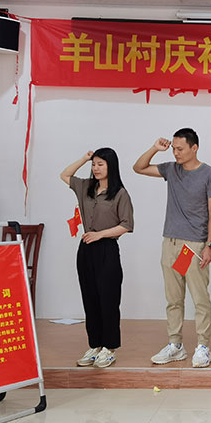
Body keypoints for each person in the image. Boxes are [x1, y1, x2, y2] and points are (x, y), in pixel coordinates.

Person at [133, 128, 211, 368]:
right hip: (171, 243)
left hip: (193, 245)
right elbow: (138, 167)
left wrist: (209, 245)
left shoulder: (210, 175)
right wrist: (155, 148)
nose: (175, 153)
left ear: (195, 148)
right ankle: (176, 345)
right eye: (173, 149)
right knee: (173, 298)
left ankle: (203, 346)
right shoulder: (171, 169)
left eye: (180, 149)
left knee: (200, 298)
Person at [60, 148, 134, 369]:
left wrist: (100, 234)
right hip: (86, 250)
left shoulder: (120, 193)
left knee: (108, 300)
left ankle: (109, 348)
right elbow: (65, 175)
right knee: (90, 299)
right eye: (94, 164)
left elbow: (126, 225)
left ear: (111, 165)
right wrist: (84, 158)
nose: (96, 168)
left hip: (107, 249)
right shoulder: (85, 187)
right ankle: (95, 345)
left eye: (101, 164)